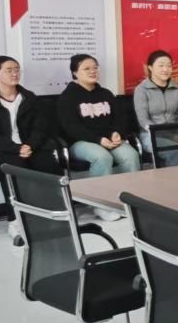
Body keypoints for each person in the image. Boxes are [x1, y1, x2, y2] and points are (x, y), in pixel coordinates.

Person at [0, 56, 63, 242]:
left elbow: (40, 128)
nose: (14, 73)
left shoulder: (29, 98)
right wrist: (16, 148)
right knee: (14, 168)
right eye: (9, 70)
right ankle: (15, 221)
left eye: (16, 69)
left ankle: (49, 214)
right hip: (2, 151)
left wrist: (30, 145)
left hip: (31, 146)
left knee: (46, 162)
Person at [57, 54, 140, 221]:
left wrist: (117, 133)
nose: (92, 71)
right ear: (75, 72)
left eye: (95, 68)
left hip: (109, 139)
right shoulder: (67, 96)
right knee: (102, 157)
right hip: (80, 142)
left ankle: (129, 202)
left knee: (130, 155)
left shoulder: (106, 93)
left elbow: (120, 118)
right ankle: (100, 205)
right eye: (86, 69)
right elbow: (71, 127)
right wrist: (98, 139)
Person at [134, 50, 178, 167]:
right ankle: (176, 179)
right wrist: (169, 136)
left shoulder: (177, 89)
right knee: (177, 151)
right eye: (161, 65)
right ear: (150, 68)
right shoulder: (142, 90)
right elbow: (143, 120)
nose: (166, 69)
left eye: (169, 66)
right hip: (151, 135)